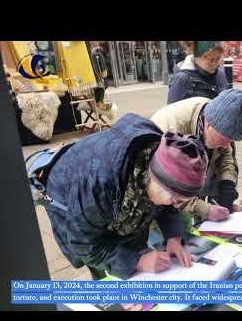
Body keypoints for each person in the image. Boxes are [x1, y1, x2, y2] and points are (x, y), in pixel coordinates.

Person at [41, 114, 209, 280]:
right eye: (176, 200)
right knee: (102, 261)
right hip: (67, 195)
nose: (177, 205)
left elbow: (168, 205)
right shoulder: (99, 181)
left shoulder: (162, 161)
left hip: (112, 191)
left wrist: (173, 237)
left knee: (133, 242)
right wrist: (137, 261)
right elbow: (84, 243)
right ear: (152, 179)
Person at [151, 88, 242, 222]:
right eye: (223, 140)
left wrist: (226, 184)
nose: (225, 145)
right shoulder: (171, 131)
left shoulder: (218, 118)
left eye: (230, 141)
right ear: (209, 125)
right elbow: (168, 190)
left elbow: (225, 155)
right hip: (159, 202)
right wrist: (204, 209)